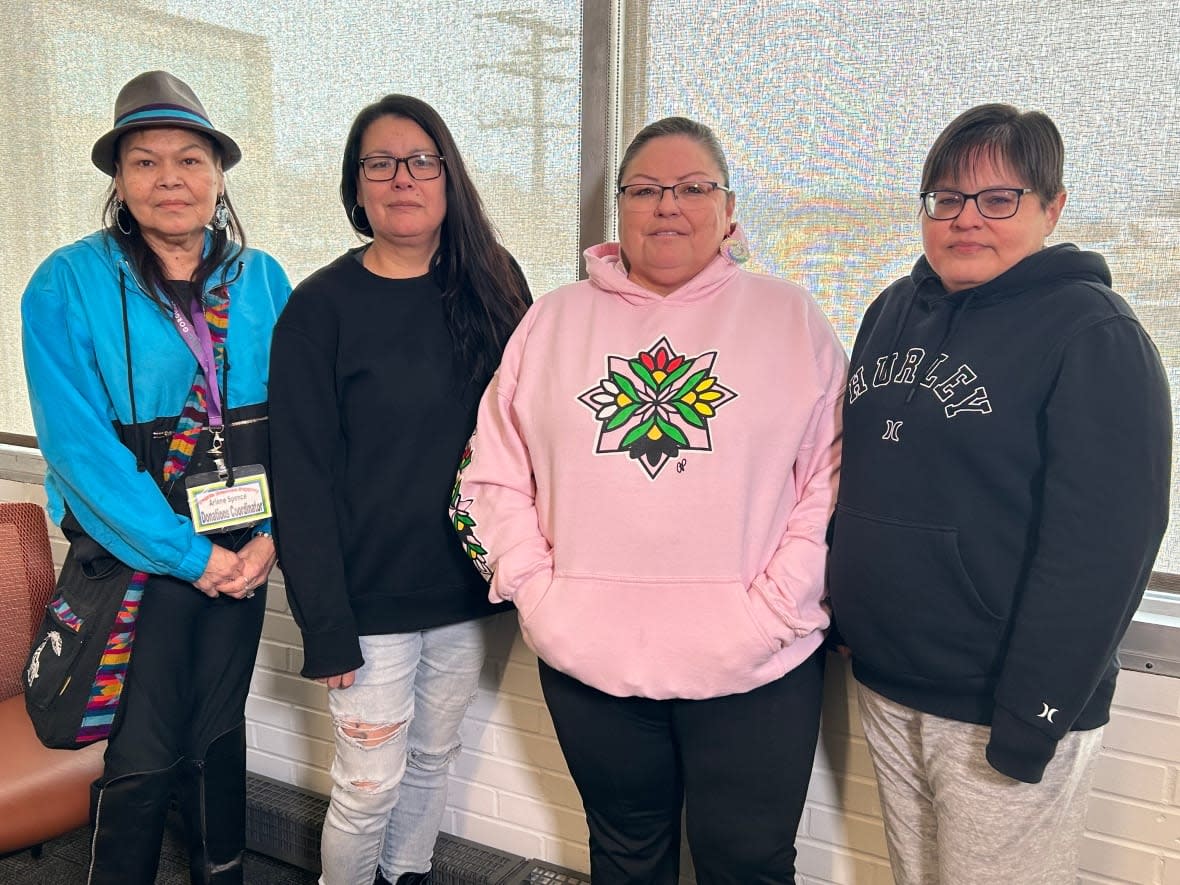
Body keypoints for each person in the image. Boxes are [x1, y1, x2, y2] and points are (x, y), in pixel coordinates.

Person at [451, 116, 846, 884]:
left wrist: (770, 612)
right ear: (619, 211)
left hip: (760, 662)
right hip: (590, 659)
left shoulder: (791, 318)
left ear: (730, 212)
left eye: (694, 187)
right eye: (645, 189)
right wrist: (540, 595)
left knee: (750, 865)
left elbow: (832, 485)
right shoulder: (552, 321)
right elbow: (488, 478)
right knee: (626, 860)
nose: (668, 205)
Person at [827, 104, 1171, 885]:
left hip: (999, 702)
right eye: (945, 198)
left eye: (998, 198)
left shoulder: (1094, 335)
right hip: (890, 680)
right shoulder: (889, 311)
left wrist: (1031, 715)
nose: (966, 219)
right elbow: (858, 477)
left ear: (1052, 207)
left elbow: (1104, 547)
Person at [20, 70, 291, 884]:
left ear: (217, 175)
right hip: (138, 555)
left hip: (244, 551)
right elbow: (81, 454)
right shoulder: (65, 283)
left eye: (189, 159)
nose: (169, 178)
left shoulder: (263, 278)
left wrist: (273, 537)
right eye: (145, 161)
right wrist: (191, 557)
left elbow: (300, 428)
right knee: (140, 745)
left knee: (217, 732)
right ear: (118, 179)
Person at [267, 94, 531, 885]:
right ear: (356, 189)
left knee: (432, 762)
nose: (402, 178)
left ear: (448, 177)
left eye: (421, 160)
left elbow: (532, 423)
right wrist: (325, 623)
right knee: (366, 786)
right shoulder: (319, 309)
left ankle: (406, 876)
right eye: (379, 164)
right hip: (366, 604)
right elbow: (300, 474)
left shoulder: (493, 284)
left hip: (464, 589)